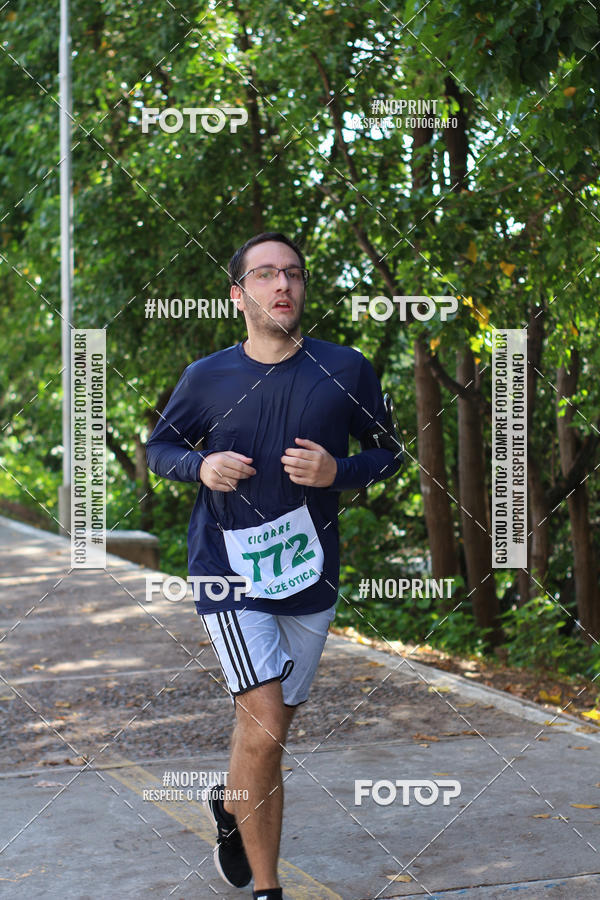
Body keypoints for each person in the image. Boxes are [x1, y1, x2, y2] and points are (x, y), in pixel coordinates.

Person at [146, 232, 402, 900]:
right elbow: (160, 448)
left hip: (309, 577)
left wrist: (337, 471)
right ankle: (267, 889)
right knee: (262, 723)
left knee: (267, 733)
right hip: (229, 572)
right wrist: (200, 464)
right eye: (264, 275)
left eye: (292, 274)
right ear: (239, 295)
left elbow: (390, 452)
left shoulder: (345, 369)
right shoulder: (208, 378)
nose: (281, 285)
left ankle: (233, 805)